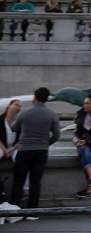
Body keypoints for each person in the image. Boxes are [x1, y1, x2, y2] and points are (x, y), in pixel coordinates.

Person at [8, 88, 61, 218]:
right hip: (41, 151)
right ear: (47, 99)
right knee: (35, 181)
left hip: (24, 150)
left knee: (18, 181)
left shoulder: (25, 113)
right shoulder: (52, 114)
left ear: (34, 97)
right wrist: (46, 143)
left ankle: (15, 210)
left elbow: (14, 128)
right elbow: (56, 135)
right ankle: (32, 212)